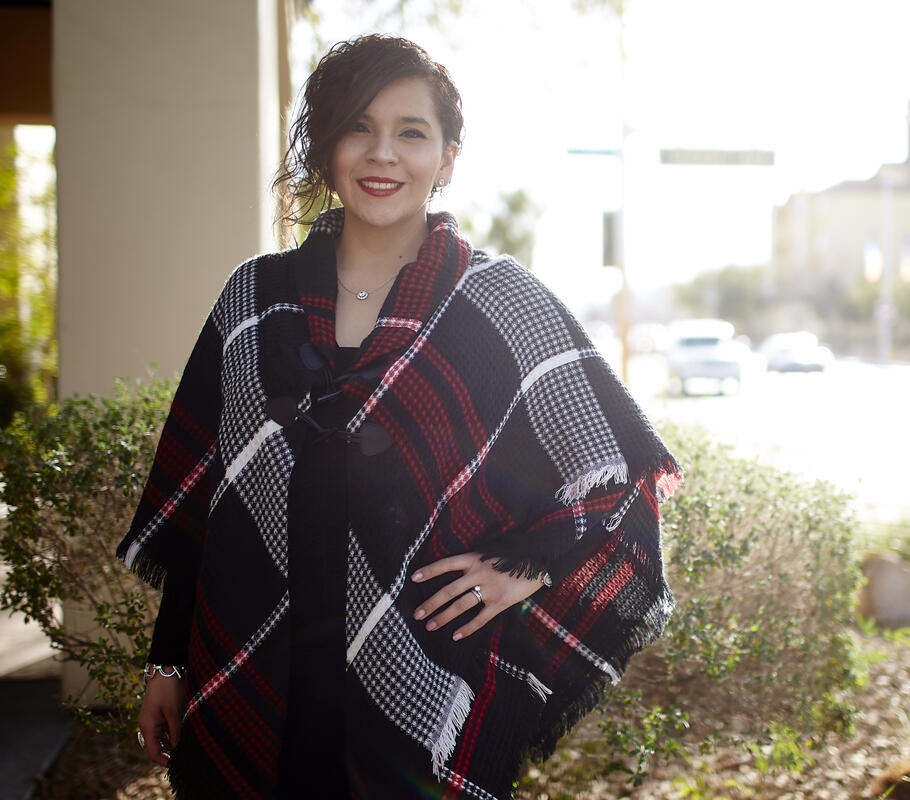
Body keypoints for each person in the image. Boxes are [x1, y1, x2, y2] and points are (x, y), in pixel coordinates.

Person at [117, 34, 680, 800]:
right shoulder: (251, 300)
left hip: (421, 670)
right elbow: (203, 506)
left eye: (411, 133)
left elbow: (617, 475)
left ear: (447, 157)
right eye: (358, 126)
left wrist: (525, 568)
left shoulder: (502, 304)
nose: (382, 155)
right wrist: (169, 662)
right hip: (250, 662)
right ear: (325, 146)